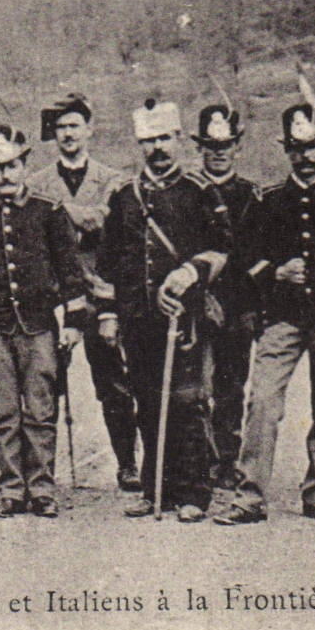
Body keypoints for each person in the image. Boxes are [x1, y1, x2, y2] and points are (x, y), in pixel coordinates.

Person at [214, 105, 315, 526]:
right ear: (286, 152)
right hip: (282, 318)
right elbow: (245, 253)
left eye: (311, 148)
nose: (304, 157)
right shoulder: (267, 200)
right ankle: (249, 494)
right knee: (264, 401)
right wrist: (274, 272)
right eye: (295, 149)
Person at [96, 99, 227, 521]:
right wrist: (108, 313)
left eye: (164, 138)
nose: (158, 148)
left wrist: (191, 271)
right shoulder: (123, 196)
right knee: (147, 402)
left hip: (183, 315)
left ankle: (194, 492)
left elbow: (224, 246)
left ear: (178, 139)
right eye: (149, 140)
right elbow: (108, 259)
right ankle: (157, 491)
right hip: (137, 316)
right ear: (140, 144)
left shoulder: (199, 191)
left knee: (187, 403)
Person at [0, 125, 89, 518]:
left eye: (11, 165)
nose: (4, 175)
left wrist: (75, 321)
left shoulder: (49, 211)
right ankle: (11, 488)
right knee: (5, 410)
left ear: (25, 164)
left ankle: (43, 488)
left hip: (39, 324)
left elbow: (70, 270)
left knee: (41, 410)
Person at [27, 92, 138, 491]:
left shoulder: (114, 180)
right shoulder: (35, 182)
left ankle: (127, 463)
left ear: (90, 130)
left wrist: (62, 213)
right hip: (52, 297)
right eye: (60, 128)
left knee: (112, 382)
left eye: (74, 126)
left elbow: (108, 227)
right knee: (43, 384)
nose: (67, 134)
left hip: (99, 294)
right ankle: (40, 470)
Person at [189, 104, 262, 491]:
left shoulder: (252, 194)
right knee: (196, 388)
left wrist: (249, 306)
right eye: (210, 145)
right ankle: (201, 459)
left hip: (237, 306)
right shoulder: (187, 190)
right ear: (200, 147)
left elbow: (256, 255)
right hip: (197, 304)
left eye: (225, 144)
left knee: (232, 388)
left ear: (237, 146)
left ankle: (228, 461)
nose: (217, 152)